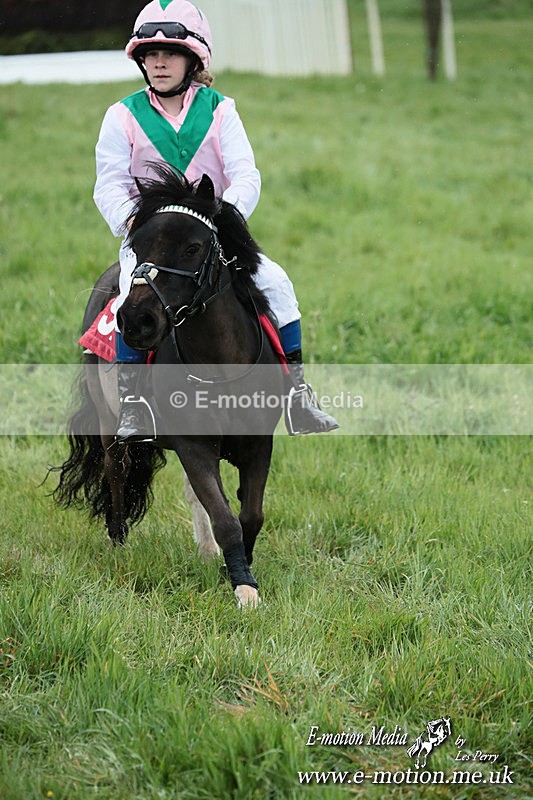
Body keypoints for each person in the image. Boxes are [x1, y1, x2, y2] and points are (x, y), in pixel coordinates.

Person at [93, 0, 339, 441]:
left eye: (170, 53)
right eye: (150, 54)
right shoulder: (121, 115)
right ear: (141, 60)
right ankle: (133, 404)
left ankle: (298, 394)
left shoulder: (221, 109)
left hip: (212, 236)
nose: (160, 62)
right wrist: (132, 224)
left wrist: (225, 219)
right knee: (131, 294)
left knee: (278, 282)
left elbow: (246, 174)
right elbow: (108, 183)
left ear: (193, 59)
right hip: (152, 240)